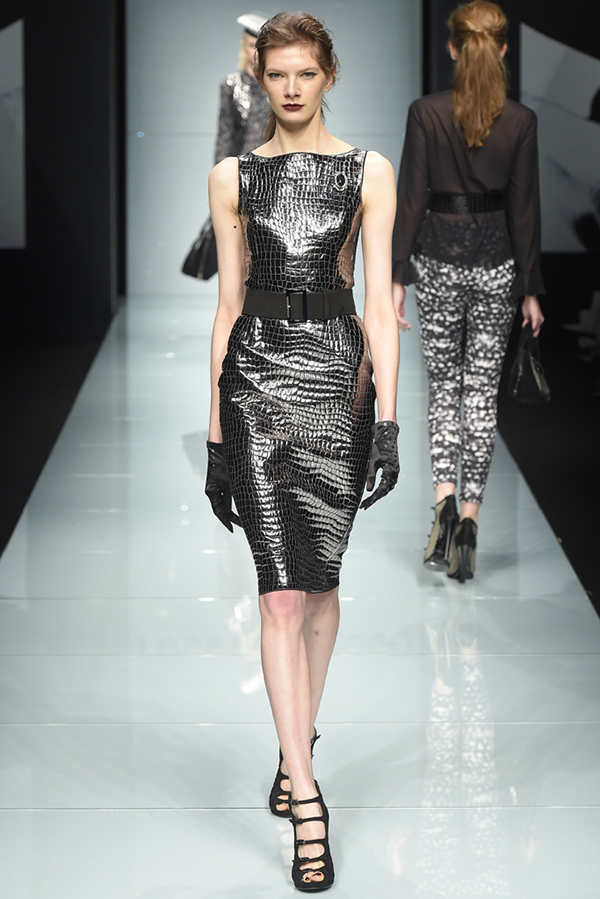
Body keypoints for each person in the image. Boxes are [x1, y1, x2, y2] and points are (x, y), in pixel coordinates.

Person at [205, 11, 399, 890]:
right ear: (260, 78)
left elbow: (380, 304)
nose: (289, 88)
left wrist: (388, 421)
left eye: (304, 73)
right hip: (256, 385)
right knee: (279, 595)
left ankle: (295, 748)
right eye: (276, 74)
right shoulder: (233, 177)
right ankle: (308, 795)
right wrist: (218, 437)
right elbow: (226, 307)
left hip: (335, 388)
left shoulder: (368, 171)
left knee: (320, 588)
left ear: (329, 76)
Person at [392, 0, 545, 583]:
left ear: (452, 47)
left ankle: (444, 504)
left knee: (444, 390)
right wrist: (530, 287)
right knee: (480, 395)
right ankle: (472, 521)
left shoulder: (426, 113)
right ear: (503, 48)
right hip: (498, 266)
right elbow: (524, 209)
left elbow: (412, 197)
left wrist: (398, 273)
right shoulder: (520, 121)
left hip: (436, 261)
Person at [214, 13, 271, 164]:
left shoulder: (277, 85)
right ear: (244, 45)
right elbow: (225, 134)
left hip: (275, 167)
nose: (256, 52)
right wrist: (220, 171)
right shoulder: (231, 84)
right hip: (241, 167)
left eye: (261, 47)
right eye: (252, 45)